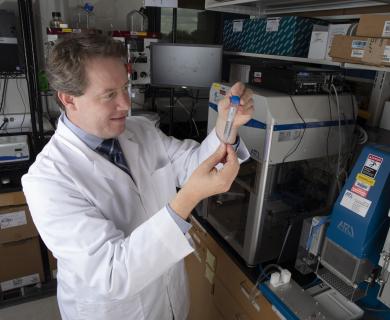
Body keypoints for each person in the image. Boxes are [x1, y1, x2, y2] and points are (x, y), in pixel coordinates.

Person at [22, 34, 253, 320]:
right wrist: (188, 197)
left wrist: (226, 126)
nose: (125, 104)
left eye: (125, 88)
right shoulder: (48, 180)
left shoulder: (140, 131)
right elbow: (112, 275)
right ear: (69, 99)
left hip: (169, 300)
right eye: (109, 95)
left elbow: (195, 164)